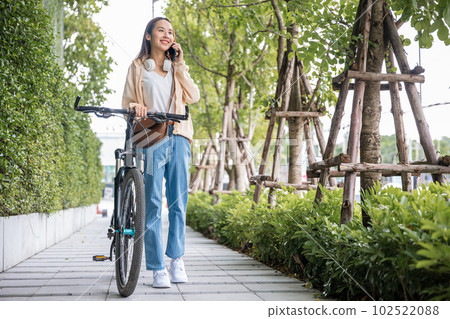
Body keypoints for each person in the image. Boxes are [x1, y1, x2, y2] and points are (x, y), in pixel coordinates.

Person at [121, 17, 200, 288]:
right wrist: (136, 107)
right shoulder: (137, 67)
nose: (166, 35)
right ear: (148, 36)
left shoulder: (176, 66)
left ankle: (176, 258)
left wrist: (178, 65)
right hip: (153, 137)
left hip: (180, 137)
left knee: (179, 202)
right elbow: (128, 101)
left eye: (170, 32)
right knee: (153, 202)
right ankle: (157, 268)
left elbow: (194, 95)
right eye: (160, 30)